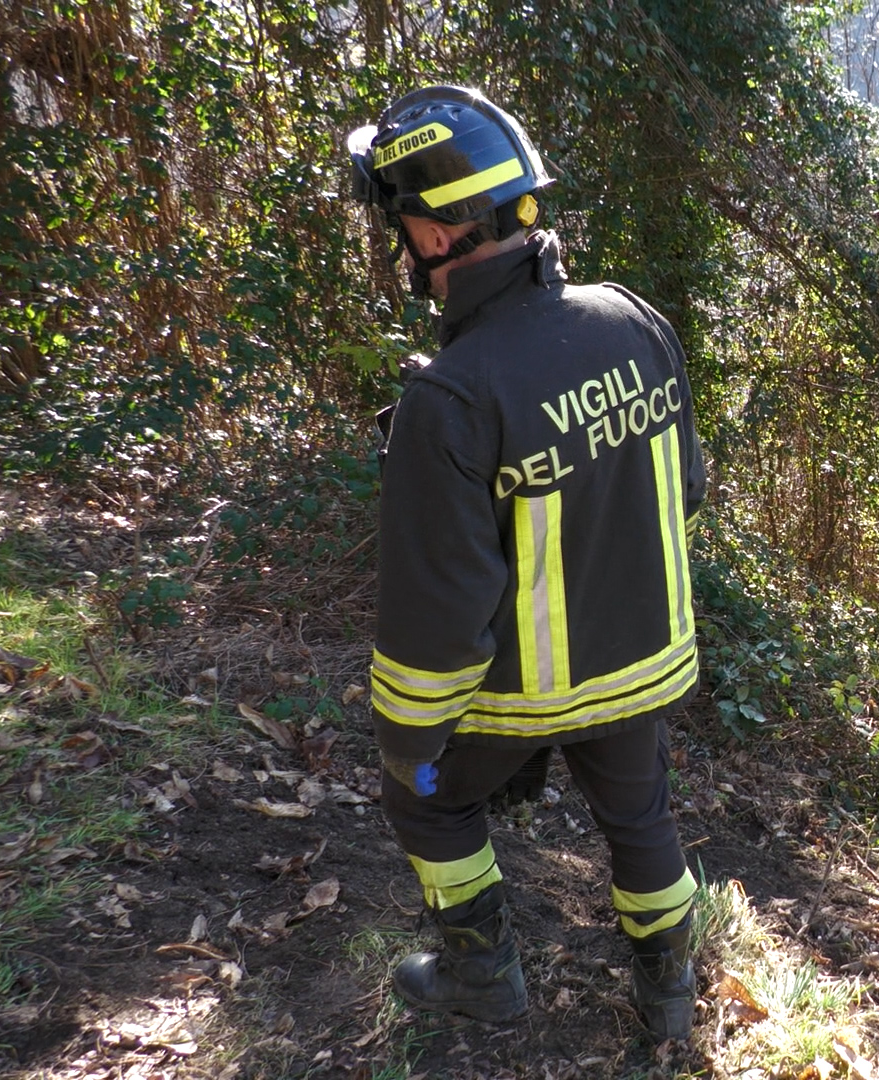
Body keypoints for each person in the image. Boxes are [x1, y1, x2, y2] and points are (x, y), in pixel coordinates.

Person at [344, 85, 705, 1039]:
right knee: (641, 820)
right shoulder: (634, 321)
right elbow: (686, 493)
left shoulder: (451, 398)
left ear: (440, 232)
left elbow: (438, 616)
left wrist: (412, 745)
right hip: (641, 665)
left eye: (404, 221)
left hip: (517, 697)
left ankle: (483, 974)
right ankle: (670, 1002)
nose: (404, 242)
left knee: (420, 800)